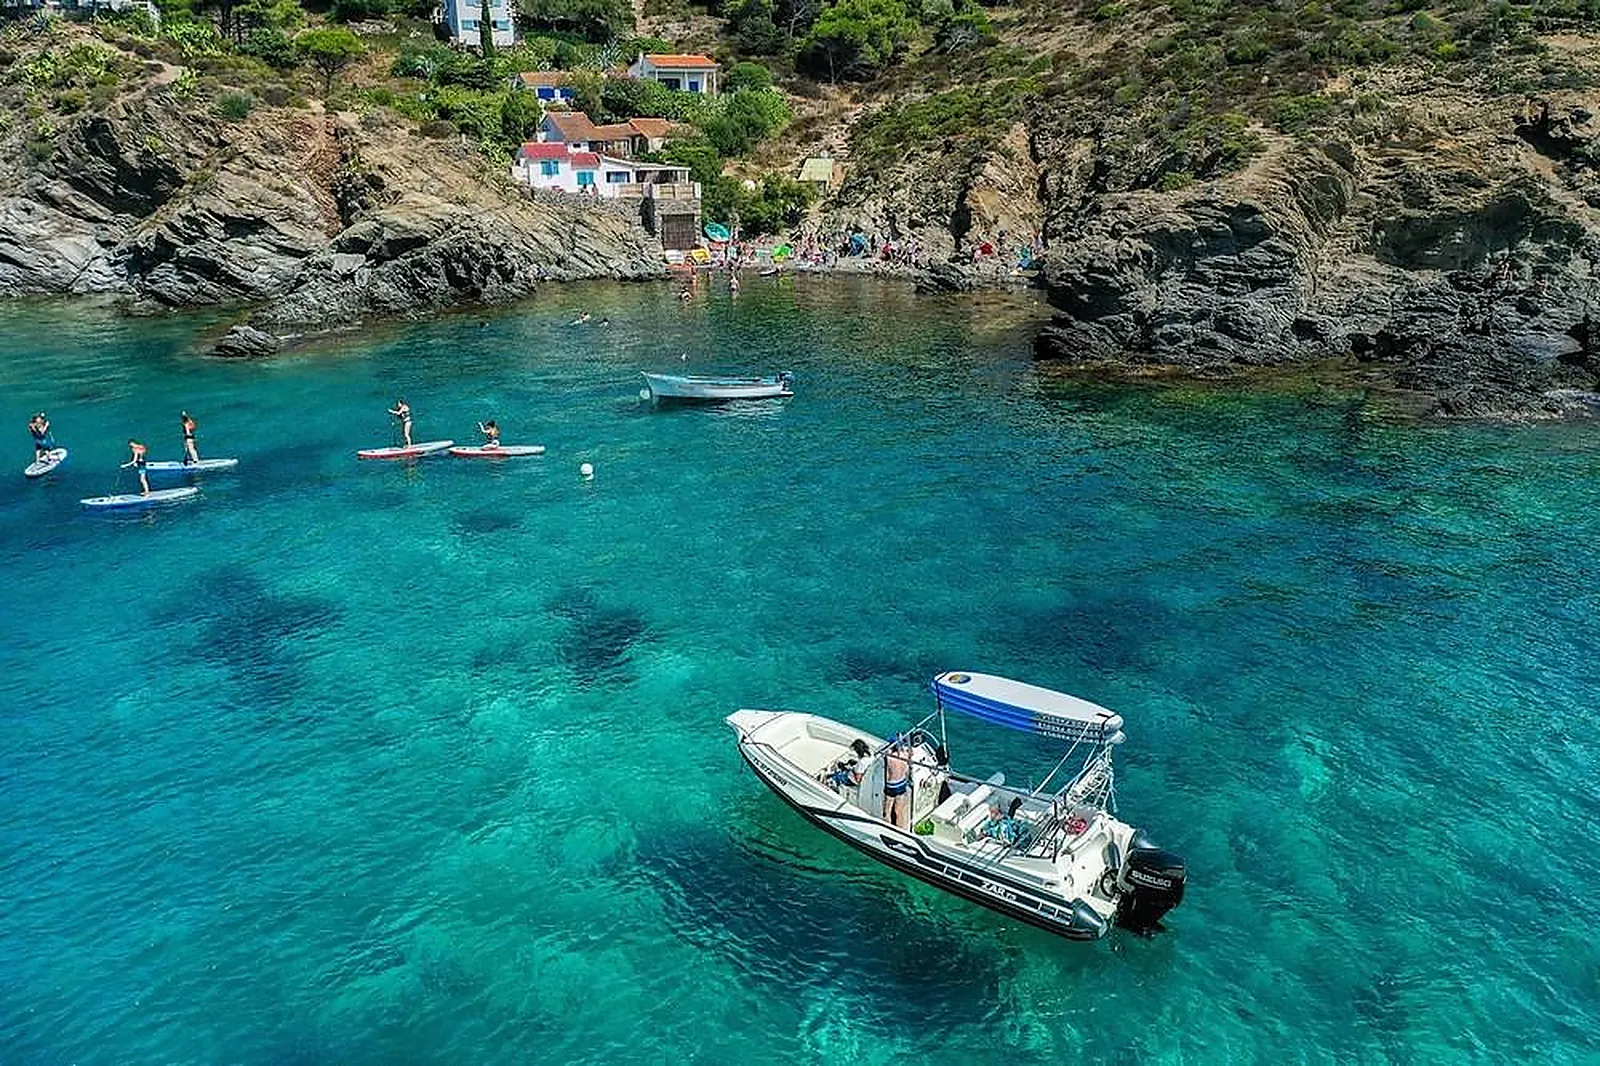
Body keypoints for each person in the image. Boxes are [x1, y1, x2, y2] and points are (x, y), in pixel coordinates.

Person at [882, 737, 910, 829]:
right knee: (899, 811)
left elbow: (884, 753)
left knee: (887, 811)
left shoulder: (889, 757)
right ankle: (900, 829)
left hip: (892, 785)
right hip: (902, 783)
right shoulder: (905, 755)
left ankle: (888, 830)